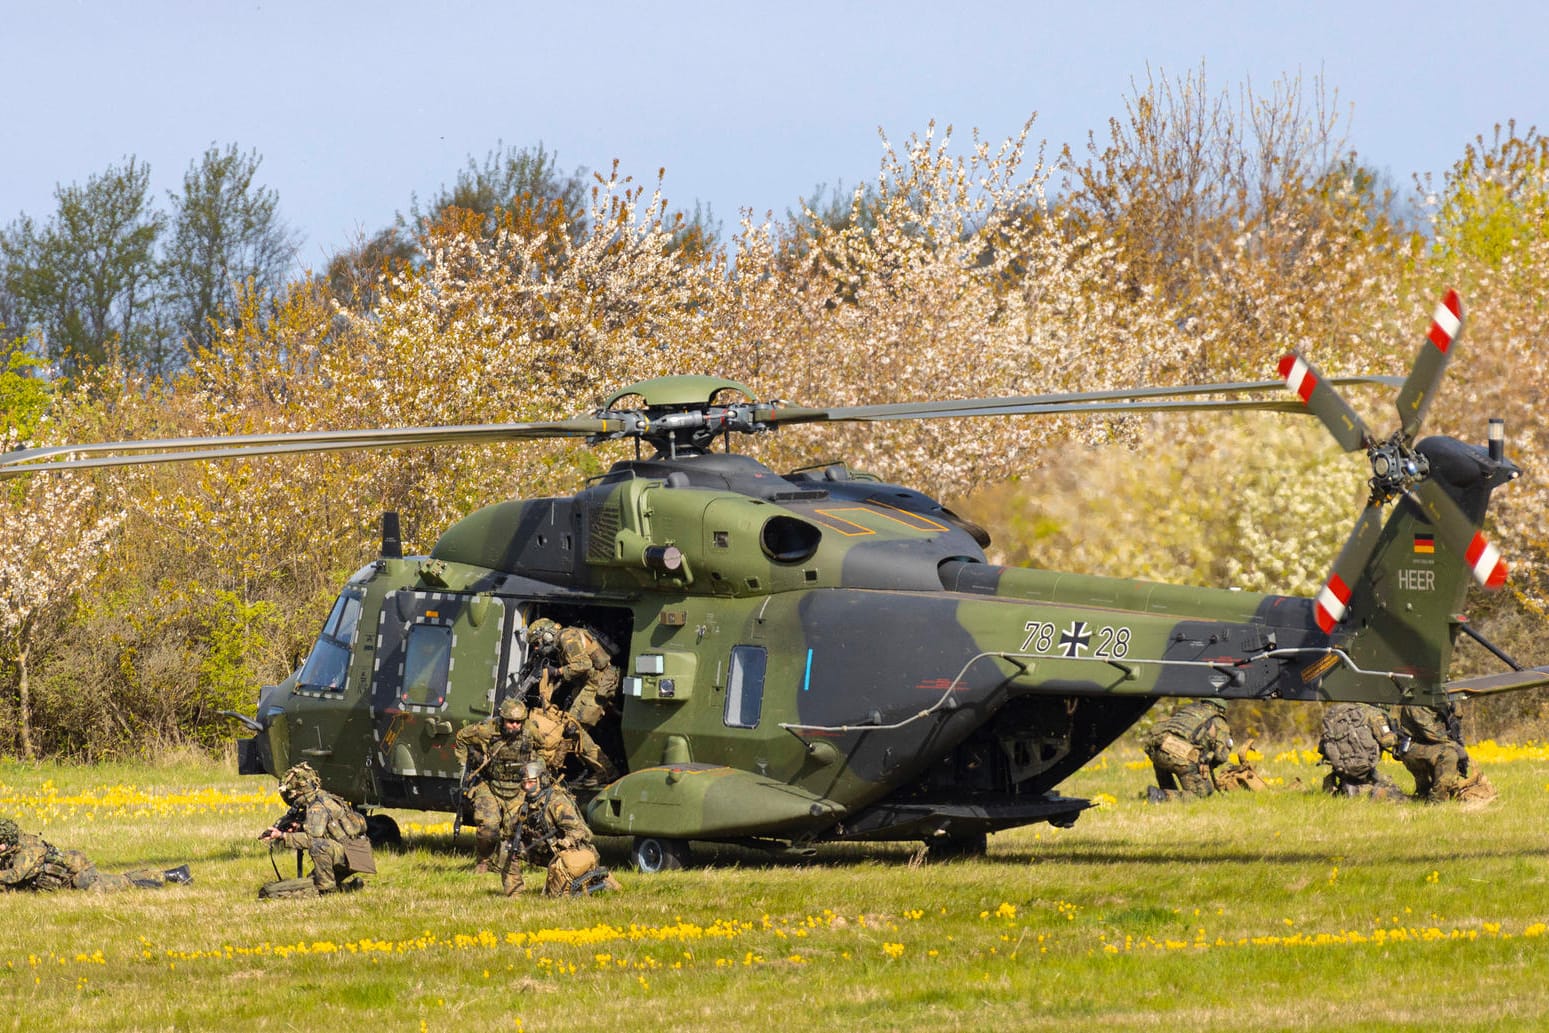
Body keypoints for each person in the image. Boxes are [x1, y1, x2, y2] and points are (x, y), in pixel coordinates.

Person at [502, 761, 619, 897]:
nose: (527, 787)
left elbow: (583, 831)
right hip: (546, 852)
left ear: (542, 781)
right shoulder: (526, 804)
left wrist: (567, 841)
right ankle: (514, 894)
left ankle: (600, 879)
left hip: (570, 853)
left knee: (557, 895)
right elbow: (511, 829)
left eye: (532, 782)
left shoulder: (557, 802)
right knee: (507, 849)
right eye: (524, 783)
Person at [257, 763, 372, 898]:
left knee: (318, 847)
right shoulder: (323, 797)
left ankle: (327, 891)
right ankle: (348, 887)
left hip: (350, 854)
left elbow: (311, 839)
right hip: (357, 853)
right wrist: (298, 827)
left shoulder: (317, 807)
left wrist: (282, 836)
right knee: (311, 880)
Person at [455, 698, 540, 875]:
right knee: (488, 827)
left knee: (513, 830)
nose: (515, 725)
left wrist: (535, 770)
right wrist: (463, 766)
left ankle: (508, 863)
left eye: (519, 722)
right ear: (502, 719)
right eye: (511, 721)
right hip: (490, 784)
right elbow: (461, 737)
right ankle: (484, 860)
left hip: (518, 788)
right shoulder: (486, 730)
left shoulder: (530, 730)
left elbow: (547, 748)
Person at [0, 817, 191, 891]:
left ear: (7, 841)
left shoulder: (27, 852)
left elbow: (14, 875)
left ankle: (170, 875)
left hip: (78, 874)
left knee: (119, 883)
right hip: (66, 880)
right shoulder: (16, 845)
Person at [528, 618, 621, 734]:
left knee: (574, 728)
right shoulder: (563, 640)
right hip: (592, 681)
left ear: (547, 635)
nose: (537, 648)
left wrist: (557, 671)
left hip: (599, 683)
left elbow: (584, 664)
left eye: (537, 643)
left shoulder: (567, 638)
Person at [1141, 698, 1233, 802]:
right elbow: (1221, 756)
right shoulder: (1218, 721)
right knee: (1202, 793)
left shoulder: (1190, 708)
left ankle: (1164, 794)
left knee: (1166, 771)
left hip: (1157, 750)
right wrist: (1207, 763)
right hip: (1181, 757)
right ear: (1222, 707)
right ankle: (1160, 796)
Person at [1396, 702, 1481, 802]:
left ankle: (1428, 792)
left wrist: (1455, 710)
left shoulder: (1442, 699)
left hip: (1432, 746)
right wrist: (1456, 747)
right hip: (1413, 747)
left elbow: (1455, 726)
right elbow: (1432, 733)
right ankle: (1437, 800)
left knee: (1452, 766)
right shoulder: (1415, 702)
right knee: (1449, 755)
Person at [1318, 701, 1405, 800]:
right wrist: (1397, 735)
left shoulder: (1337, 711)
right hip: (1363, 765)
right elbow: (1387, 741)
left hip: (1341, 766)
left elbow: (1323, 747)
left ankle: (1344, 786)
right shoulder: (1372, 713)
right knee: (1388, 785)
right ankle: (1369, 790)